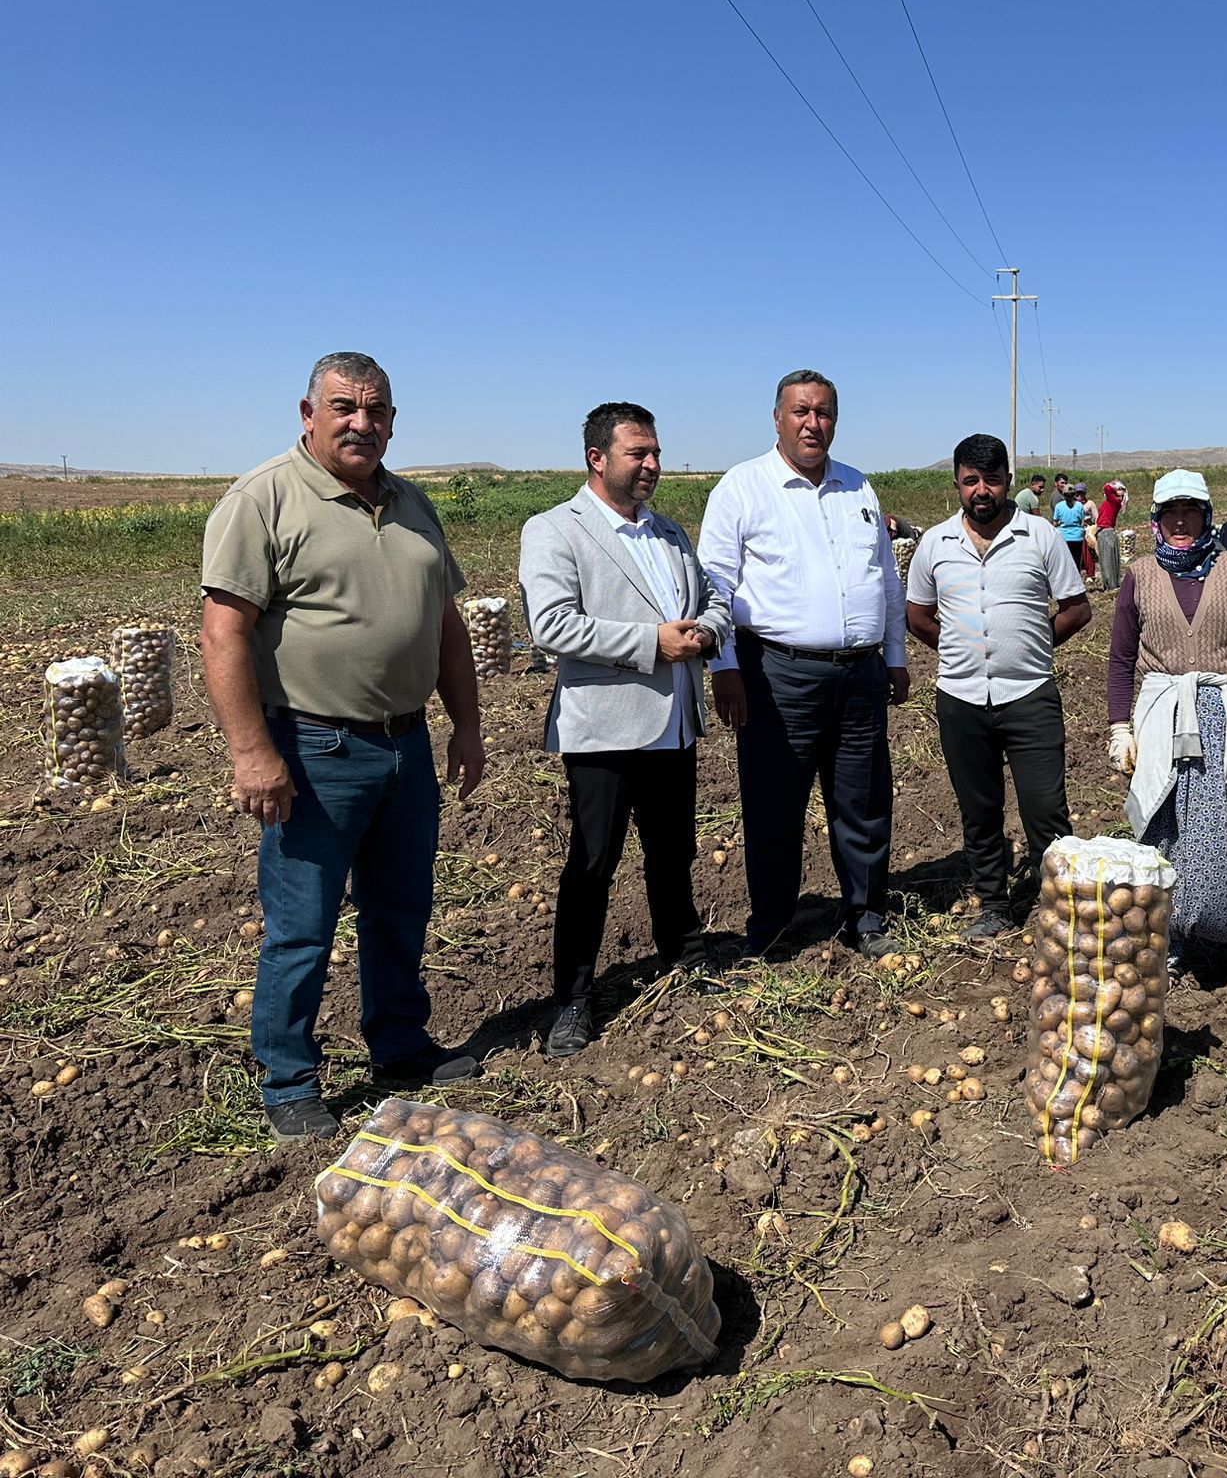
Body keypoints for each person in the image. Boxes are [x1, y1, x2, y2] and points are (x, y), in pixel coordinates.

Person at [198, 351, 485, 1141]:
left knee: (401, 908)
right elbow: (222, 633)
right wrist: (253, 753)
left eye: (378, 410)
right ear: (308, 413)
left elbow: (447, 626)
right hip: (314, 746)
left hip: (406, 745)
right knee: (304, 924)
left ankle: (398, 1044)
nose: (363, 423)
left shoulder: (411, 501)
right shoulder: (264, 500)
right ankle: (288, 1077)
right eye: (345, 407)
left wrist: (466, 724)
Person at [518, 402, 732, 1059]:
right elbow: (551, 625)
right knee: (592, 863)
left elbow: (715, 596)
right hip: (603, 730)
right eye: (639, 453)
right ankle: (574, 998)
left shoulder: (669, 533)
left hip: (673, 723)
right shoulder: (556, 530)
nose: (652, 465)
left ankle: (682, 950)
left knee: (674, 852)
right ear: (597, 459)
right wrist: (651, 643)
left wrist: (709, 630)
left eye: (655, 453)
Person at [698, 370, 910, 959]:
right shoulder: (742, 489)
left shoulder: (858, 488)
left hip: (861, 672)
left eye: (824, 413)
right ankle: (771, 926)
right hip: (777, 673)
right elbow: (713, 586)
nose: (813, 423)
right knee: (774, 803)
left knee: (863, 798)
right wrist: (725, 669)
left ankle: (865, 915)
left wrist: (894, 654)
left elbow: (885, 581)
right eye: (801, 412)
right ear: (777, 418)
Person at [1107, 470, 1227, 999]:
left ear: (1208, 516)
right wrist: (1120, 726)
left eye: (1191, 511)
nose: (1182, 522)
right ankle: (1164, 948)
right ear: (1156, 520)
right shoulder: (1139, 576)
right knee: (1162, 826)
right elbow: (1122, 659)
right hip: (1164, 718)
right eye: (1171, 512)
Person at [906, 435, 1092, 936]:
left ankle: (1061, 903)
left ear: (1007, 480)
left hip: (1029, 694)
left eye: (991, 480)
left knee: (1045, 808)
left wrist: (1034, 643)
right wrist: (957, 647)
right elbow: (917, 615)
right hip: (961, 698)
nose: (981, 490)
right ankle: (994, 904)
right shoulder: (936, 544)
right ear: (957, 485)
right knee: (979, 808)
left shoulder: (1040, 536)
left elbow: (1077, 609)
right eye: (971, 481)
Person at [1052, 480, 1094, 582]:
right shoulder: (1079, 506)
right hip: (1077, 537)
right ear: (1074, 494)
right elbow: (1081, 521)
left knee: (1065, 561)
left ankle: (1066, 581)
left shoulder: (1059, 506)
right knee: (1076, 560)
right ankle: (1076, 581)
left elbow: (1055, 522)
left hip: (1064, 537)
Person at [1095, 479, 1127, 593]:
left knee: (1107, 559)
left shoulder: (1114, 500)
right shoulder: (1112, 501)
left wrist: (1113, 485)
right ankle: (1112, 583)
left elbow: (1107, 488)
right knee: (1109, 558)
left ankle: (1111, 585)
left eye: (1120, 490)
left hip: (1106, 532)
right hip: (1107, 531)